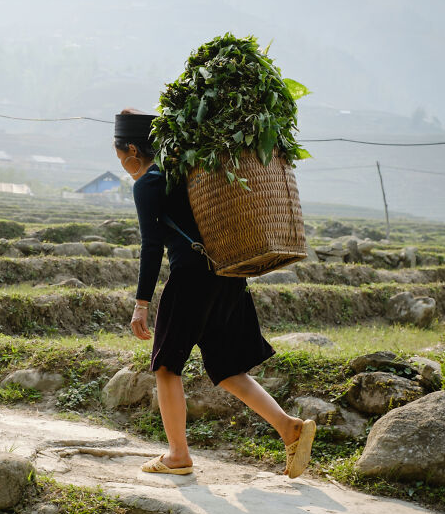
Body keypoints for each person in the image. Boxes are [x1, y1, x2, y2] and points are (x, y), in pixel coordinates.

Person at [114, 108, 315, 479]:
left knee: (165, 366)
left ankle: (177, 455)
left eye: (119, 155)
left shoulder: (148, 182)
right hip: (228, 273)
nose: (122, 162)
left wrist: (141, 304)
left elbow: (151, 246)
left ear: (131, 150)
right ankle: (289, 427)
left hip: (192, 277)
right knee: (226, 369)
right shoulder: (189, 171)